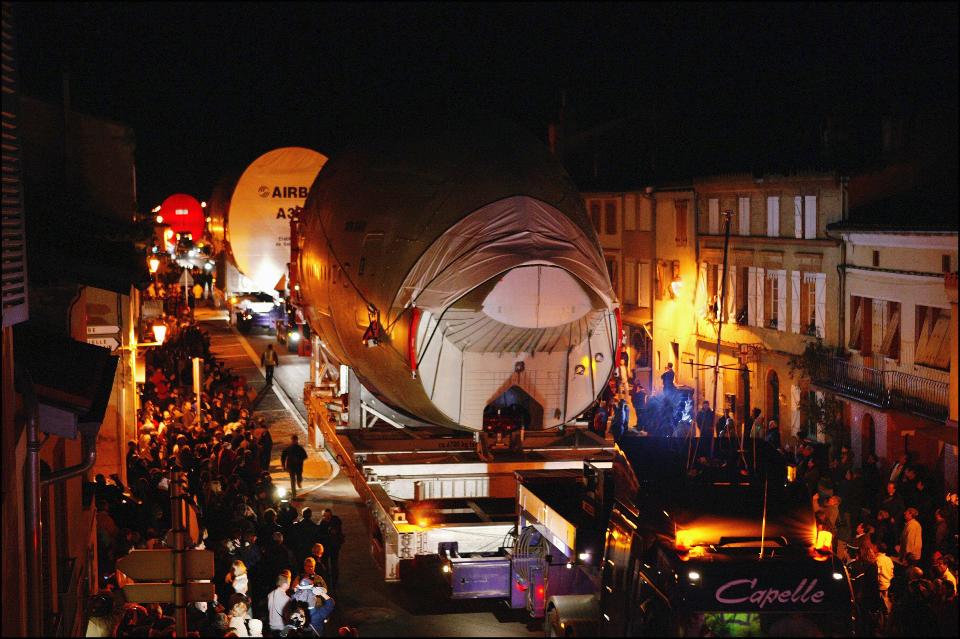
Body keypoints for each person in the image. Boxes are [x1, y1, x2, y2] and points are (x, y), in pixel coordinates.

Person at [318, 508, 344, 592]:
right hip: (326, 548)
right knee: (326, 566)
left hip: (333, 547)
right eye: (325, 516)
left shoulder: (335, 522)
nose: (327, 518)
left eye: (328, 516)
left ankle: (334, 582)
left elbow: (339, 532)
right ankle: (328, 581)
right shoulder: (322, 523)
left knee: (334, 565)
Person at [281, 435, 308, 499]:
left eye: (295, 440)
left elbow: (305, 456)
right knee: (292, 480)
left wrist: (298, 459)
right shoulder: (289, 448)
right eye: (293, 440)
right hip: (291, 467)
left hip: (298, 466)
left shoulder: (300, 448)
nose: (294, 441)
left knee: (299, 477)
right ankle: (294, 494)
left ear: (297, 440)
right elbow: (283, 456)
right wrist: (283, 465)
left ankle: (299, 482)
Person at [267, 570, 292, 635]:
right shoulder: (286, 599)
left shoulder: (270, 594)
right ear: (284, 584)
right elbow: (287, 616)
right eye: (289, 583)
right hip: (281, 627)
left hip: (272, 626)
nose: (289, 585)